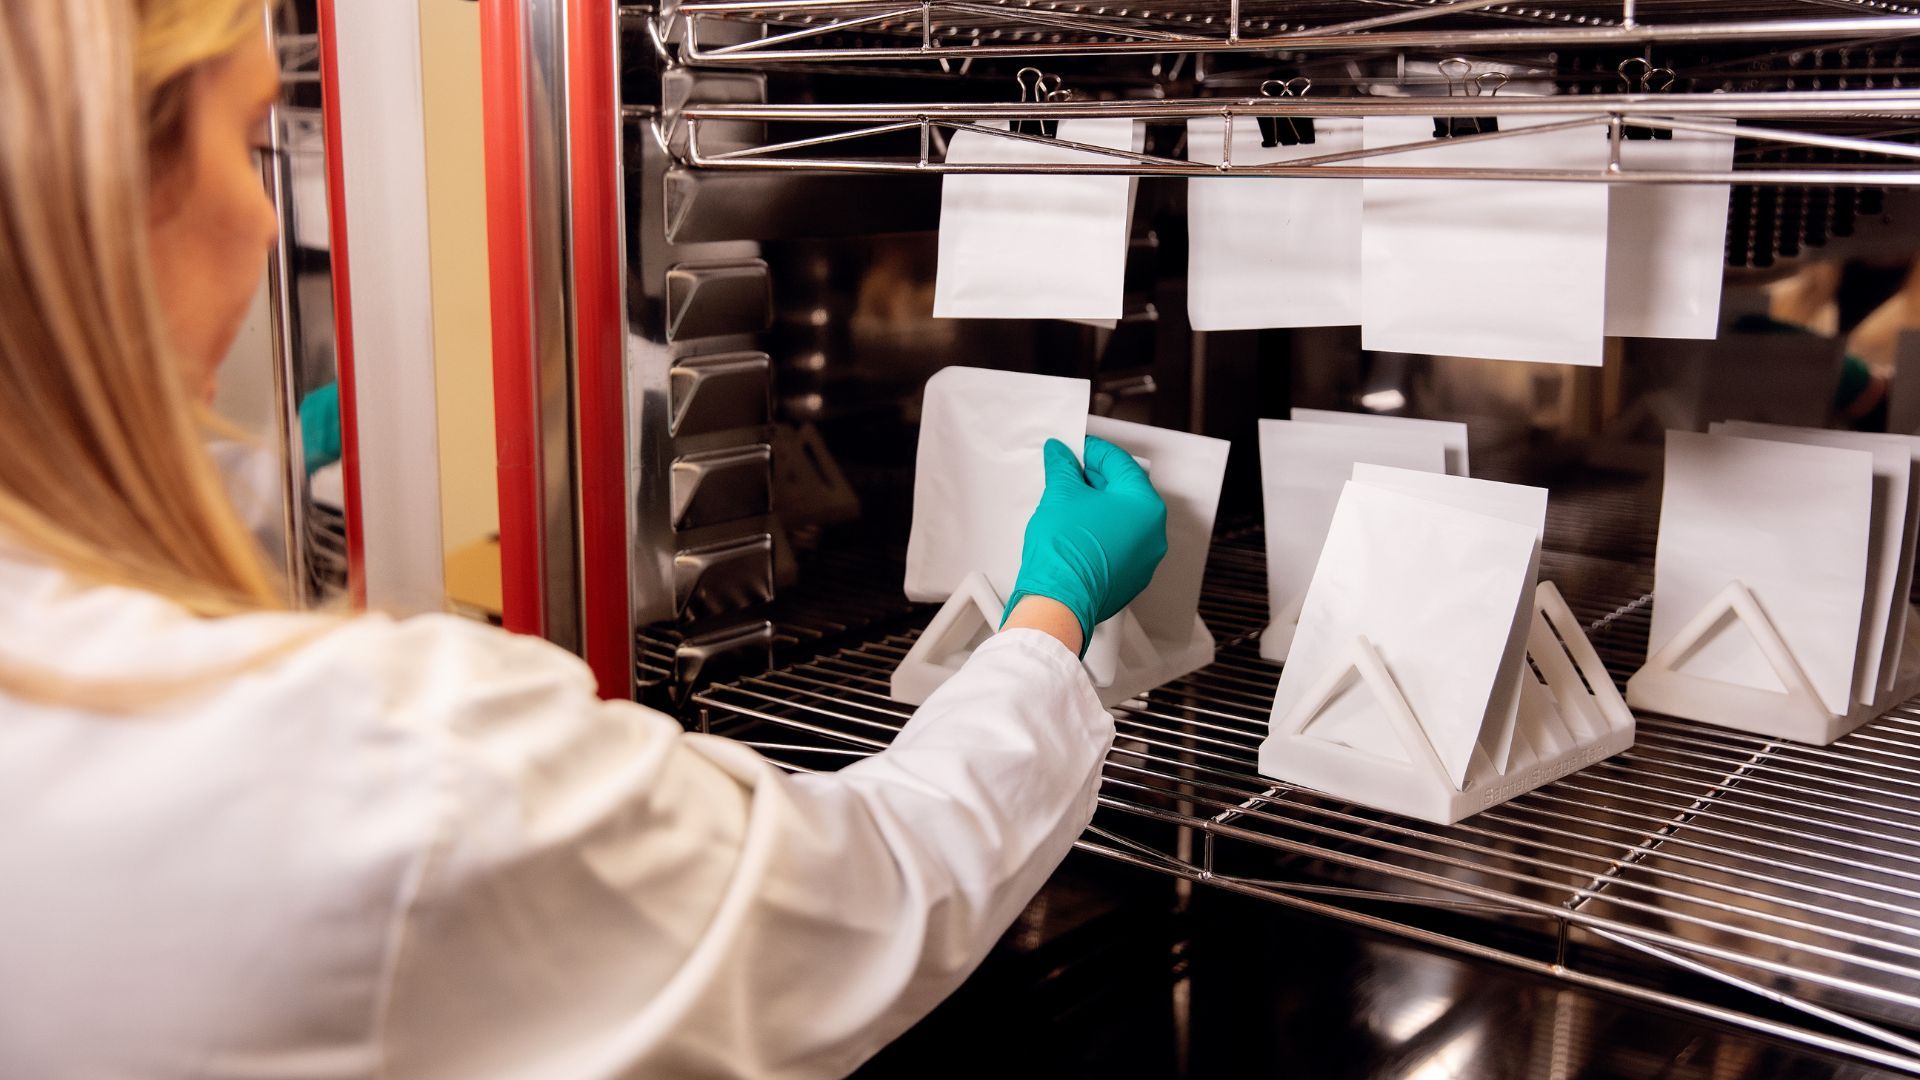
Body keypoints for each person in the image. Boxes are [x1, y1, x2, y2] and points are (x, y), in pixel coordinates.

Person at [0, 4, 1169, 1078]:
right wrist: (1050, 614)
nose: (267, 211)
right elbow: (877, 893)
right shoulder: (379, 757)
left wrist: (292, 467)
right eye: (249, 132)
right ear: (103, 190)